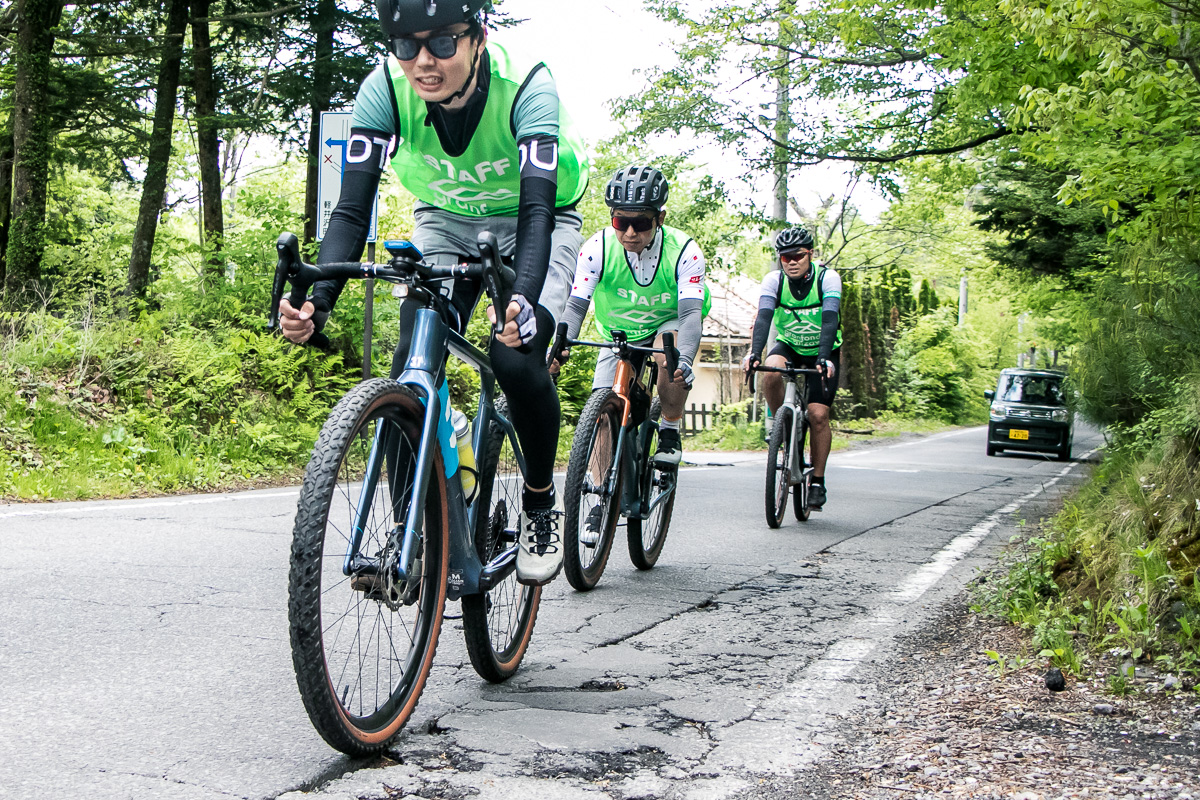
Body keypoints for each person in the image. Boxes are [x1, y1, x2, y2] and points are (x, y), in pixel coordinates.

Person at [278, 0, 590, 586]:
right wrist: (317, 302)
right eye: (405, 46)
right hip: (445, 218)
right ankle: (412, 538)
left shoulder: (527, 85)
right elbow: (351, 208)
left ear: (478, 37)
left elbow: (538, 210)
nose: (423, 62)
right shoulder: (383, 91)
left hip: (535, 219)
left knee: (516, 353)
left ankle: (541, 502)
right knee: (412, 353)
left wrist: (520, 300)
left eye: (442, 44)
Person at [556, 165, 706, 542]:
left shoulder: (684, 251)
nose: (629, 232)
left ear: (660, 218)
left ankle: (669, 429)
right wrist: (558, 349)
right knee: (603, 412)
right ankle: (598, 494)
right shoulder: (598, 247)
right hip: (618, 333)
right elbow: (575, 307)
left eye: (640, 223)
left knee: (665, 356)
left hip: (667, 324)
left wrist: (683, 360)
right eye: (621, 221)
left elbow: (690, 315)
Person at [741, 227, 841, 509]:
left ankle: (818, 480)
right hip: (790, 345)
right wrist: (753, 353)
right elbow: (764, 317)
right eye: (785, 257)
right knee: (771, 369)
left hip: (824, 349)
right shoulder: (773, 281)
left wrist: (823, 358)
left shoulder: (827, 278)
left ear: (810, 254)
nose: (792, 261)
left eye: (797, 256)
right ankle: (782, 424)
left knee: (818, 415)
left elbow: (831, 319)